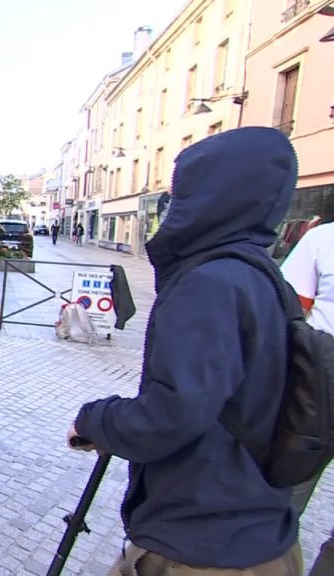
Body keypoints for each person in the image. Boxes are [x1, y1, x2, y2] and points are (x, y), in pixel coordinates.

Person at [66, 127, 302, 575]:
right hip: (253, 529)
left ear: (213, 195)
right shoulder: (264, 278)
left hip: (199, 543)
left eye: (182, 192)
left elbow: (172, 413)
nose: (172, 205)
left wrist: (94, 418)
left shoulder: (210, 284)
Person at [280, 218, 334, 576]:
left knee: (282, 501)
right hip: (319, 384)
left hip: (319, 385)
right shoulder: (321, 238)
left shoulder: (323, 238)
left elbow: (290, 312)